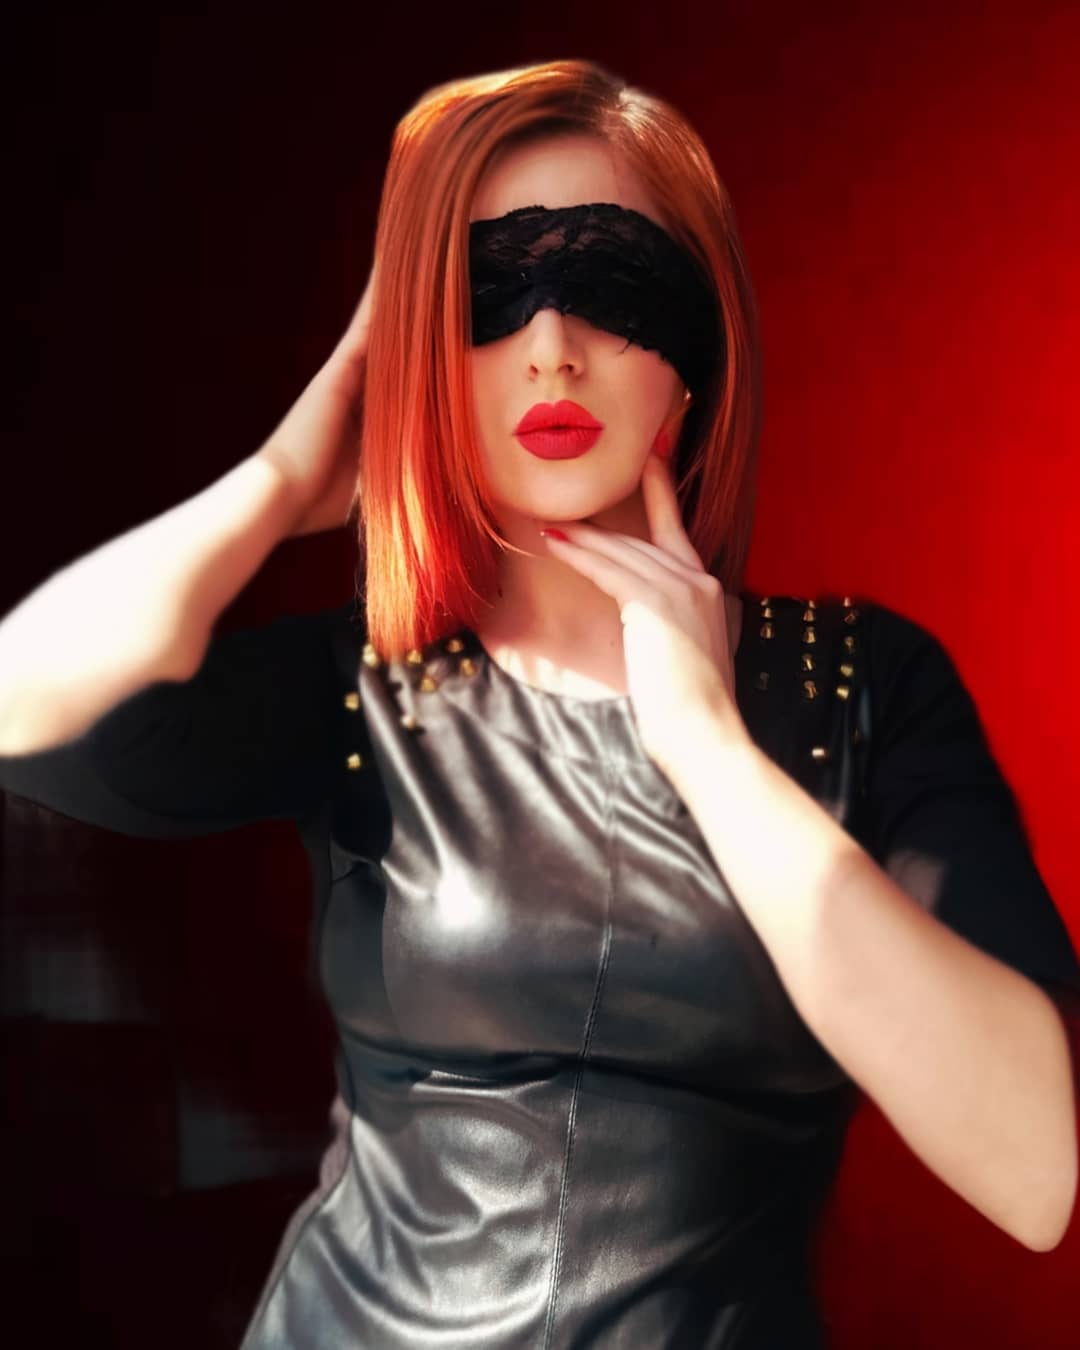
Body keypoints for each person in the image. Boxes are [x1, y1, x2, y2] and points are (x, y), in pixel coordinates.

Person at [1, 57, 1078, 1349]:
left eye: (610, 284)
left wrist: (710, 748)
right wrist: (290, 474)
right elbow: (20, 705)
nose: (551, 350)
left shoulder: (861, 689)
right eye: (488, 296)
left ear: (698, 346)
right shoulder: (364, 688)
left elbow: (1033, 1170)